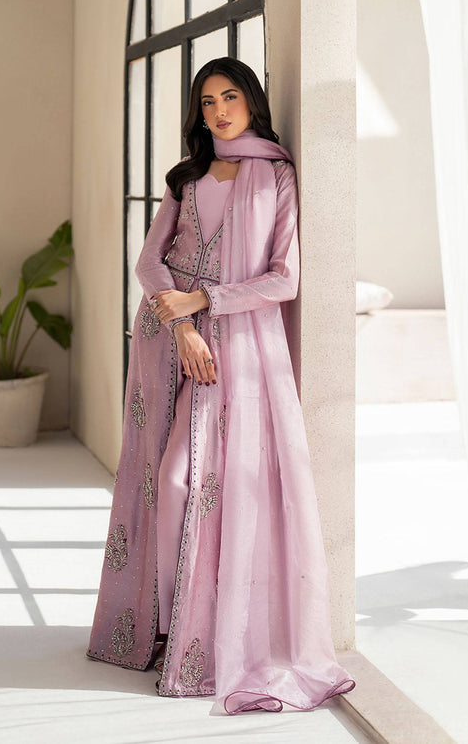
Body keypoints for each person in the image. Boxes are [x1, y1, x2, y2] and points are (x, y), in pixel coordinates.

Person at [86, 56, 356, 715]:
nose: (218, 111)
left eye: (229, 97)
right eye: (206, 102)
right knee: (155, 478)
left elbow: (283, 278)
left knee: (186, 480)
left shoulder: (277, 175)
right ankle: (159, 626)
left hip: (235, 345)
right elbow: (150, 261)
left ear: (252, 102)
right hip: (169, 340)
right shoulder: (187, 177)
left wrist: (205, 300)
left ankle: (200, 636)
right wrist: (182, 323)